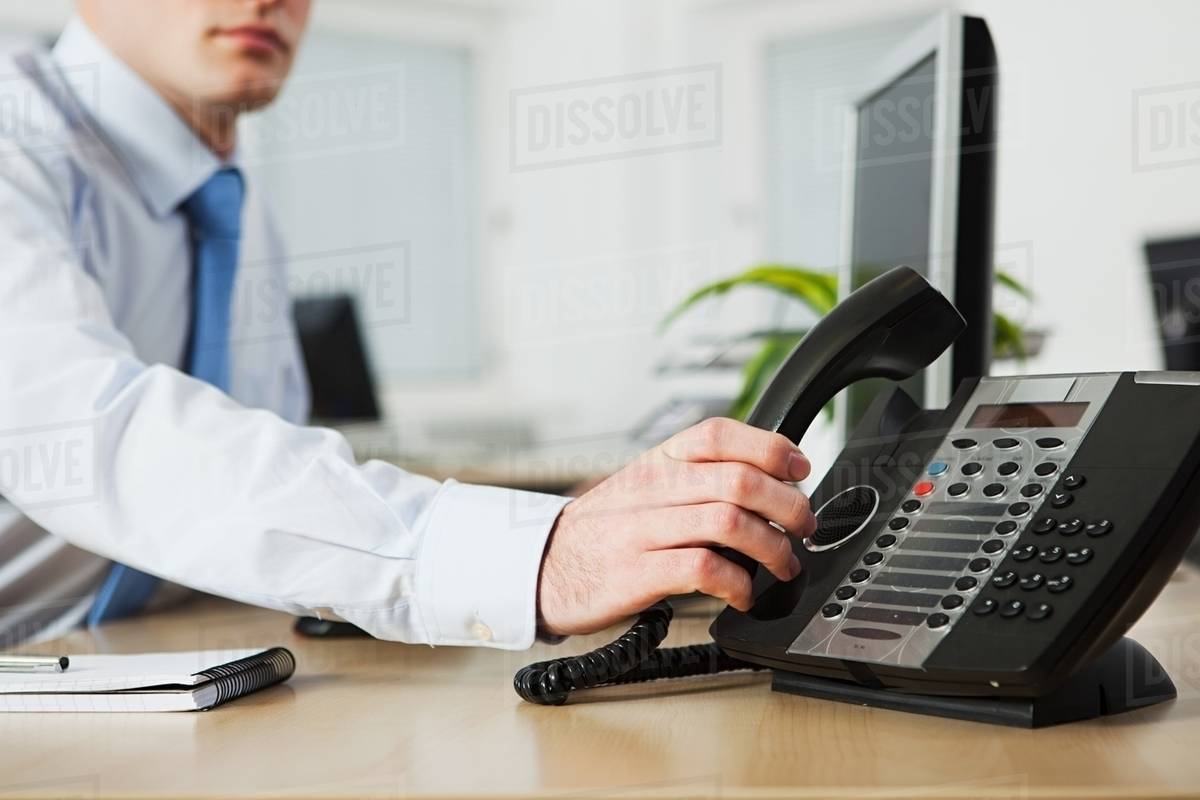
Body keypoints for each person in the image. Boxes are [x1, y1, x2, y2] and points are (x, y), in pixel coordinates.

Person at [0, 0, 816, 648]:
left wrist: (581, 517)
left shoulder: (237, 203)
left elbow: (255, 462)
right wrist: (531, 557)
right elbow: (96, 434)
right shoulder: (16, 136)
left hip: (138, 661)